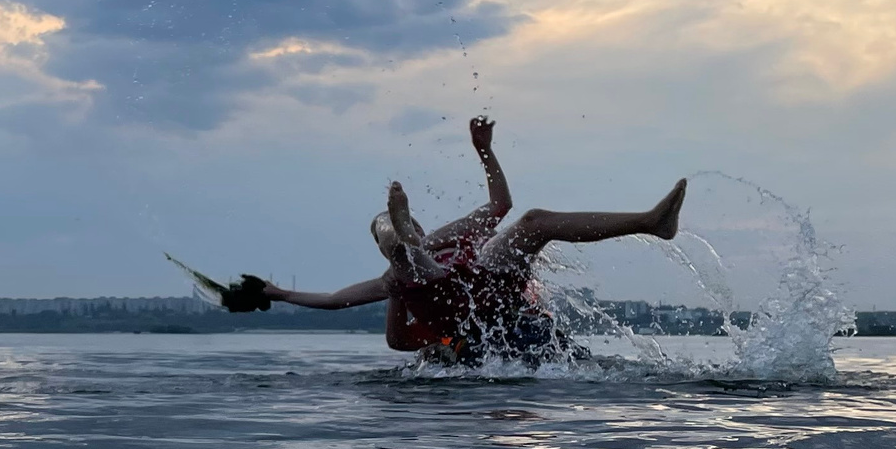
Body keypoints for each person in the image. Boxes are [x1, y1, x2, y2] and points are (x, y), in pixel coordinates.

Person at [253, 116, 685, 362]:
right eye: (399, 236)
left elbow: (501, 205)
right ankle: (396, 238)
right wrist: (278, 293)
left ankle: (651, 222)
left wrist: (484, 149)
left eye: (408, 230)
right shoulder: (393, 282)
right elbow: (333, 301)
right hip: (475, 325)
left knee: (532, 222)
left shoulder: (444, 237)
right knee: (413, 267)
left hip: (500, 296)